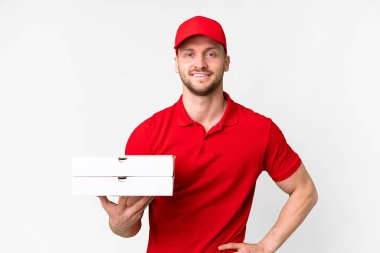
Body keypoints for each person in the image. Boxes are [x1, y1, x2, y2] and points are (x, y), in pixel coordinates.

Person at [98, 16, 318, 253]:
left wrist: (266, 246)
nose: (200, 63)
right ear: (176, 63)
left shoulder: (260, 130)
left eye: (211, 54)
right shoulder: (147, 134)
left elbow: (305, 190)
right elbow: (129, 226)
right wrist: (118, 224)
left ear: (227, 62)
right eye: (189, 54)